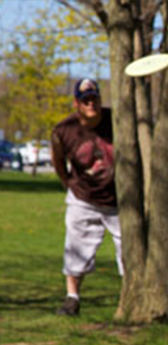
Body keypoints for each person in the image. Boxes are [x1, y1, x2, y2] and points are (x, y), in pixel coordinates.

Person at [51, 78, 122, 316]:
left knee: (128, 249)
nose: (91, 104)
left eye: (94, 98)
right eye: (85, 100)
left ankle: (128, 297)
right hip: (83, 198)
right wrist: (68, 183)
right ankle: (72, 299)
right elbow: (58, 160)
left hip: (119, 200)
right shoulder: (64, 130)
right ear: (76, 103)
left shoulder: (118, 121)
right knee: (75, 248)